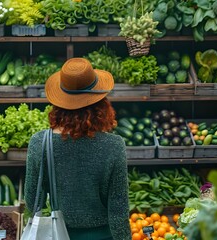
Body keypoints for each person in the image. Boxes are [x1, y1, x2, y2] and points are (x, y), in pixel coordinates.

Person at [24, 58, 131, 240]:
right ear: (100, 104)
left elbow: (33, 200)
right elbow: (119, 211)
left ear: (58, 104)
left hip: (58, 233)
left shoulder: (40, 142)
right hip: (102, 236)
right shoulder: (114, 146)